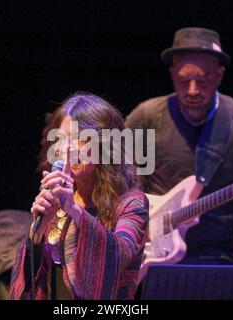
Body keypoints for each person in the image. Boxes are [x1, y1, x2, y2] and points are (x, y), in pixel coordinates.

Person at [125, 27, 233, 265]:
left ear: (219, 75)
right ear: (172, 74)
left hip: (222, 256)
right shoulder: (148, 115)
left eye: (202, 81)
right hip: (153, 253)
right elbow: (114, 175)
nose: (192, 90)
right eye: (183, 81)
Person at [9, 92, 149, 300]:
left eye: (79, 140)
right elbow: (30, 276)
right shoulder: (59, 198)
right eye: (60, 139)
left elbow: (120, 255)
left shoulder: (131, 202)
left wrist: (73, 210)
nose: (66, 149)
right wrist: (37, 233)